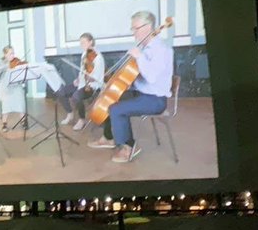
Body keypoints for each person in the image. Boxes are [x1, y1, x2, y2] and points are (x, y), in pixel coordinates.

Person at [89, 11, 174, 163]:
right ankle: (109, 138)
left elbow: (152, 77)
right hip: (141, 93)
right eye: (133, 28)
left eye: (136, 28)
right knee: (112, 99)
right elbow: (138, 76)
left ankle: (128, 148)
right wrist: (118, 83)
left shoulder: (161, 49)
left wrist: (139, 56)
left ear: (148, 27)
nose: (133, 32)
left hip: (155, 100)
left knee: (117, 109)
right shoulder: (145, 48)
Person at [53, 33, 106, 131]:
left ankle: (82, 119)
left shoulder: (97, 57)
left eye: (84, 42)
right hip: (81, 84)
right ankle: (70, 113)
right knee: (60, 92)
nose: (82, 45)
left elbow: (96, 78)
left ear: (91, 42)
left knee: (76, 96)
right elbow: (83, 71)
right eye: (80, 43)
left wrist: (87, 77)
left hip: (92, 86)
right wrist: (78, 79)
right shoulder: (84, 54)